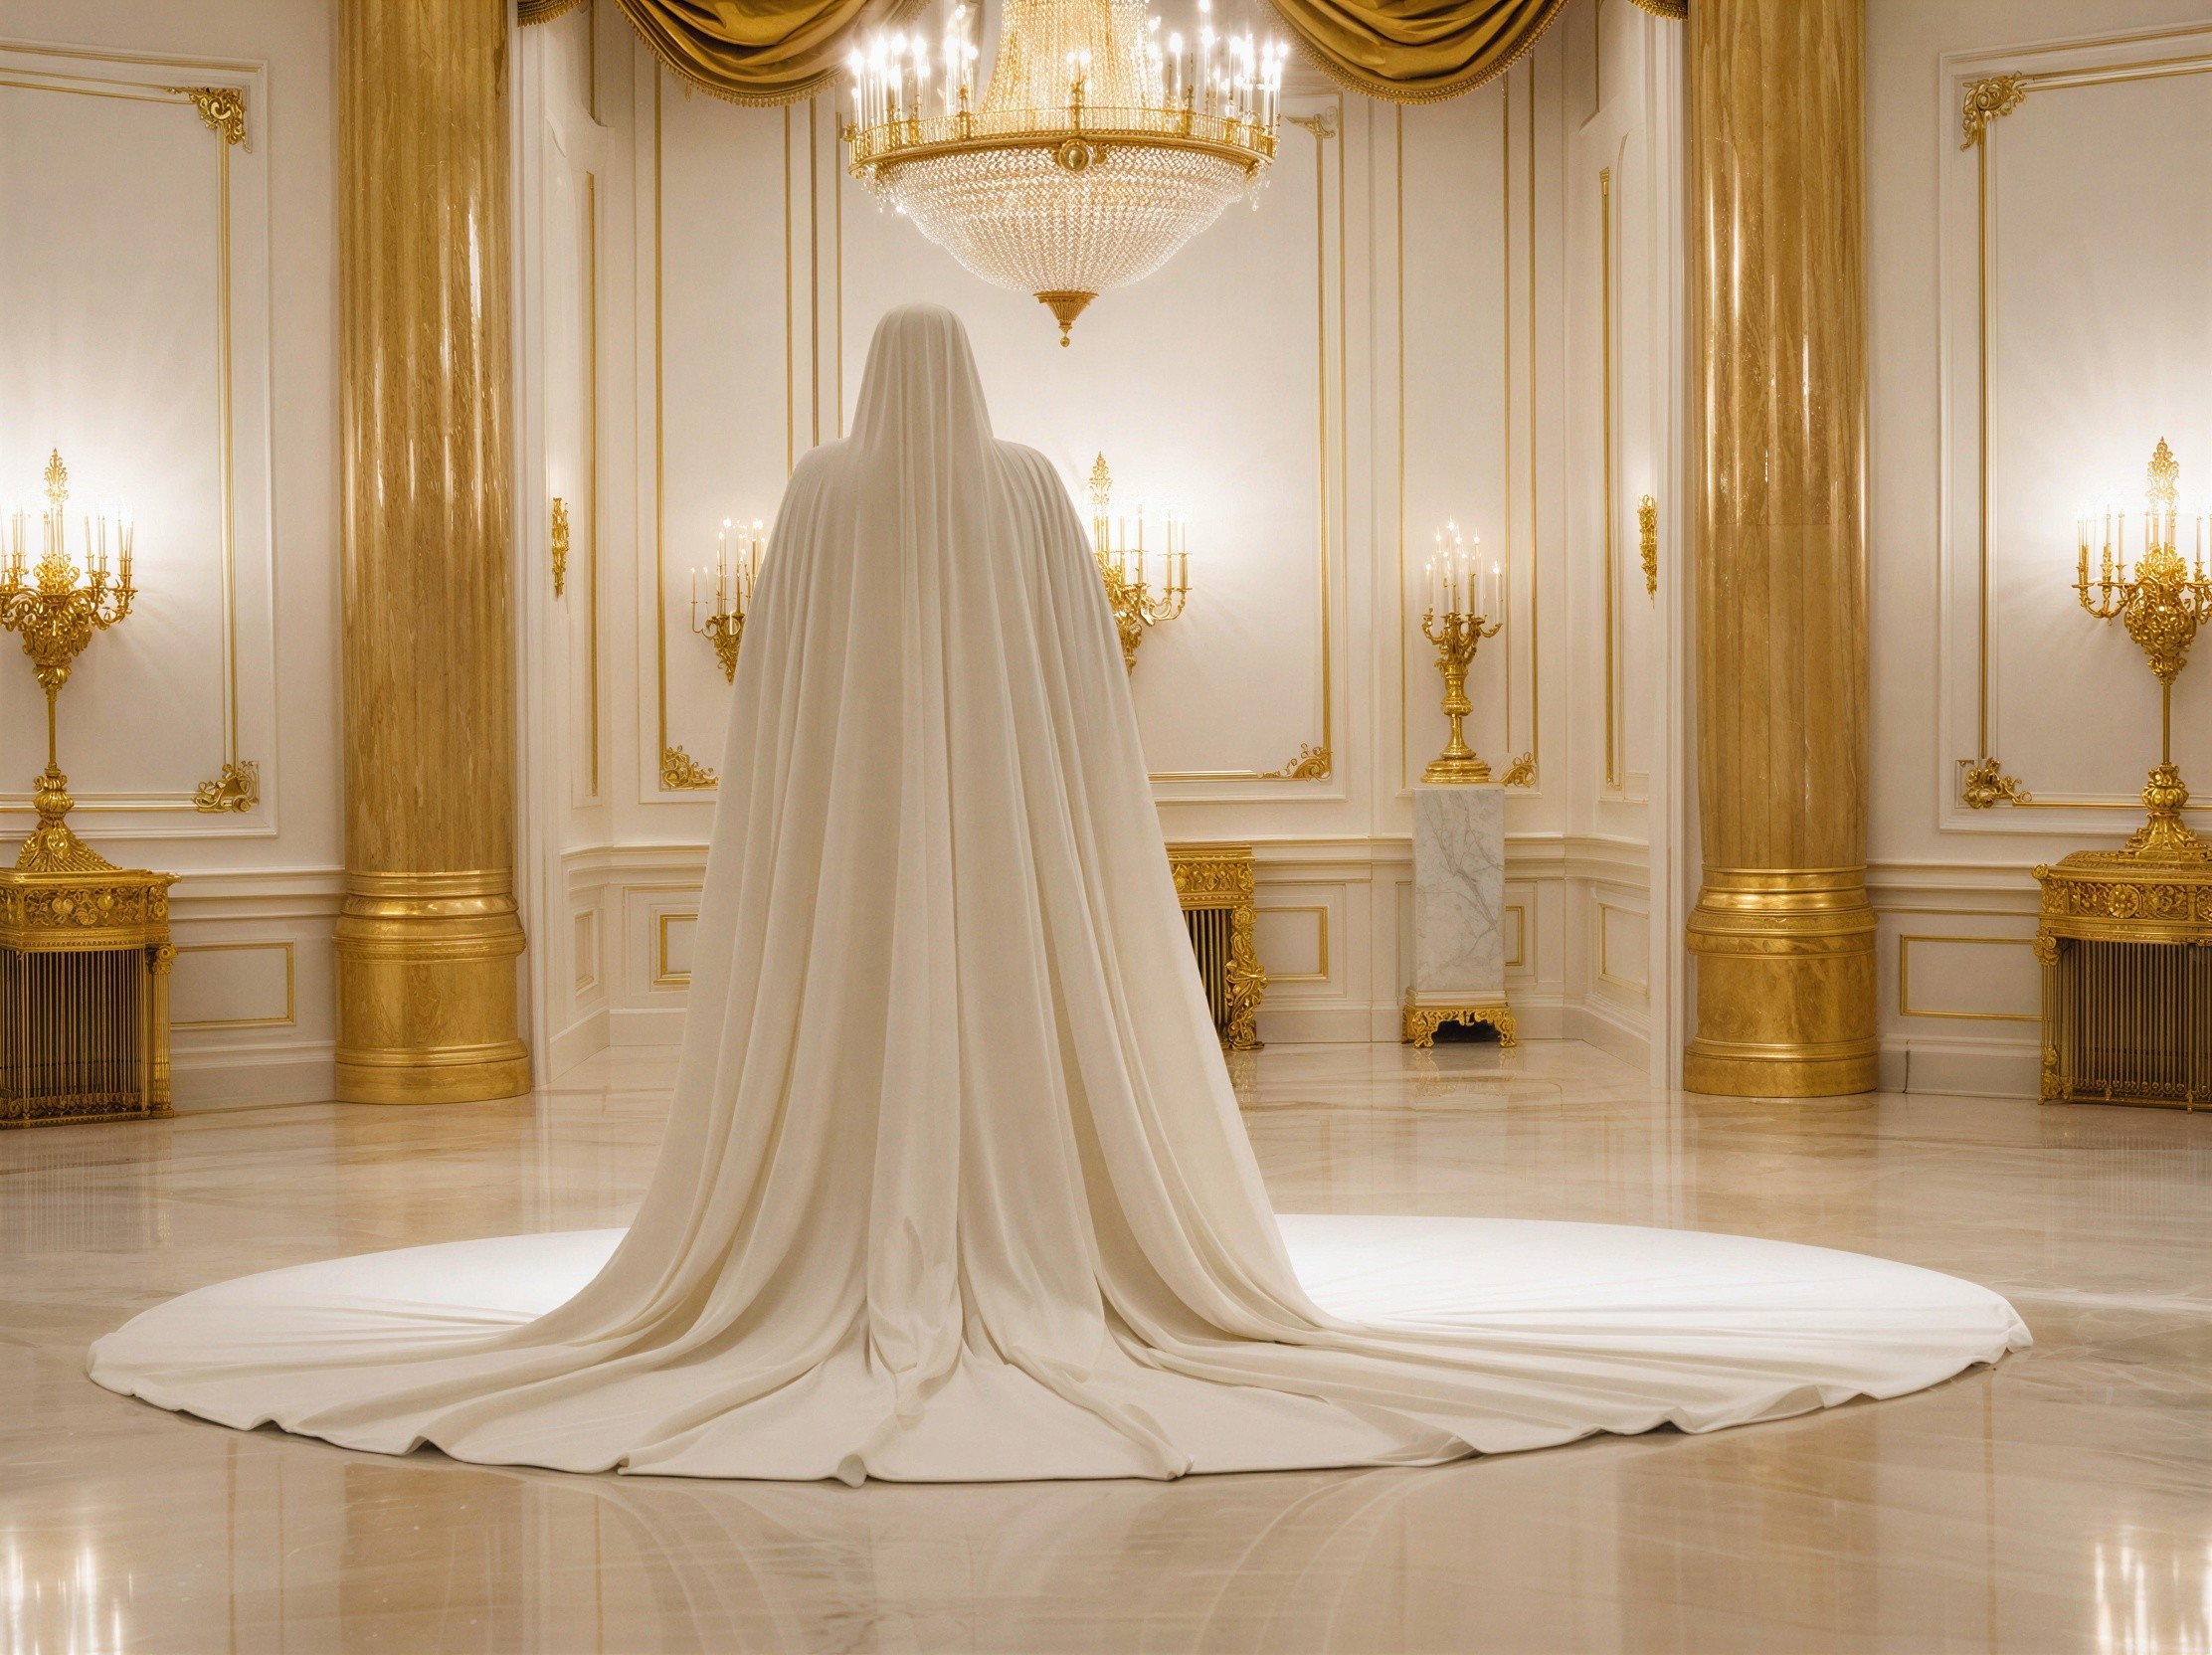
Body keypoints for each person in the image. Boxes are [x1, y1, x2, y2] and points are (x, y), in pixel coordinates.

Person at [92, 306, 2026, 1483]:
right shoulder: (1022, 490)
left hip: (862, 883)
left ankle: (827, 1232)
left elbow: (783, 734)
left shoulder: (822, 496)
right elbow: (1075, 718)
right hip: (1008, 864)